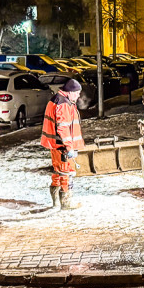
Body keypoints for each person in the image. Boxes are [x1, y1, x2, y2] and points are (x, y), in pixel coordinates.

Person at [40, 78, 85, 210]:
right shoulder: (64, 104)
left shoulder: (56, 100)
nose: (78, 96)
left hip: (54, 144)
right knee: (66, 173)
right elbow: (63, 128)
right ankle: (66, 203)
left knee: (57, 172)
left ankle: (56, 202)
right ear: (70, 92)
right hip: (62, 146)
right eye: (77, 93)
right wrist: (70, 147)